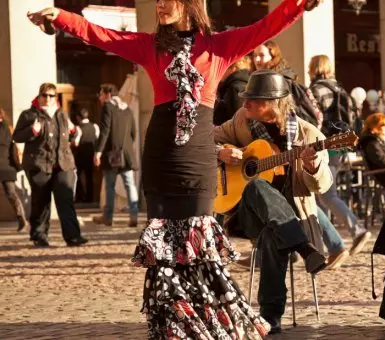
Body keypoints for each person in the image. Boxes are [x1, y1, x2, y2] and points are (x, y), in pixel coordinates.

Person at [27, 0, 323, 338]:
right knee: (164, 252)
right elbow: (100, 35)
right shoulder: (150, 47)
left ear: (189, 4)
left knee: (199, 247)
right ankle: (173, 327)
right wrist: (61, 17)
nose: (160, 5)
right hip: (160, 158)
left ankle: (210, 323)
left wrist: (297, 5)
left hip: (197, 160)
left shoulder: (218, 47)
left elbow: (265, 28)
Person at [214, 69, 330, 334]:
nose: (244, 104)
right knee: (255, 185)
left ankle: (269, 317)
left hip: (294, 216)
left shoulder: (309, 135)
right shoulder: (241, 121)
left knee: (272, 237)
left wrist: (312, 166)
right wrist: (220, 152)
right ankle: (304, 248)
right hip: (246, 215)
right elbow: (205, 140)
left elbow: (323, 185)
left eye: (252, 100)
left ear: (272, 102)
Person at [307, 54, 371, 260]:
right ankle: (342, 237)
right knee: (324, 194)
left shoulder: (317, 90)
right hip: (340, 148)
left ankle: (354, 232)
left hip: (324, 145)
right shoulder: (341, 90)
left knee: (325, 195)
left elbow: (312, 119)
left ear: (314, 69)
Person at [12, 83, 88, 248]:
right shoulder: (29, 115)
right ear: (39, 97)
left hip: (63, 164)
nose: (47, 98)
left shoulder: (62, 115)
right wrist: (32, 131)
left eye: (51, 95)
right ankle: (39, 236)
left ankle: (73, 236)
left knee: (65, 200)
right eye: (44, 95)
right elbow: (16, 136)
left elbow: (70, 134)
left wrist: (75, 131)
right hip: (39, 165)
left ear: (56, 97)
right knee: (41, 201)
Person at [92, 84, 139, 227]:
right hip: (127, 153)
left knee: (110, 187)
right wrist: (127, 147)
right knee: (130, 185)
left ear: (108, 94)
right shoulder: (128, 109)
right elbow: (133, 133)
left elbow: (104, 131)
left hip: (112, 153)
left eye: (101, 94)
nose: (100, 98)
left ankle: (108, 217)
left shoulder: (108, 107)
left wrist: (98, 152)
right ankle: (134, 216)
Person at [0, 108, 28, 232]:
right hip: (7, 166)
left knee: (11, 194)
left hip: (4, 166)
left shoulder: (4, 128)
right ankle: (22, 219)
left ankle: (22, 220)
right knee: (12, 195)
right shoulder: (8, 128)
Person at [213, 55, 252, 126]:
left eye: (223, 67)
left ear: (234, 68)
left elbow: (239, 124)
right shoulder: (234, 86)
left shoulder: (236, 88)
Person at [73, 108, 98, 203]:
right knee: (89, 177)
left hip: (80, 156)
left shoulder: (78, 128)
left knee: (77, 176)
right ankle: (90, 198)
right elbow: (97, 139)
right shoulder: (95, 126)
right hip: (91, 155)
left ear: (78, 117)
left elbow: (76, 142)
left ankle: (80, 196)